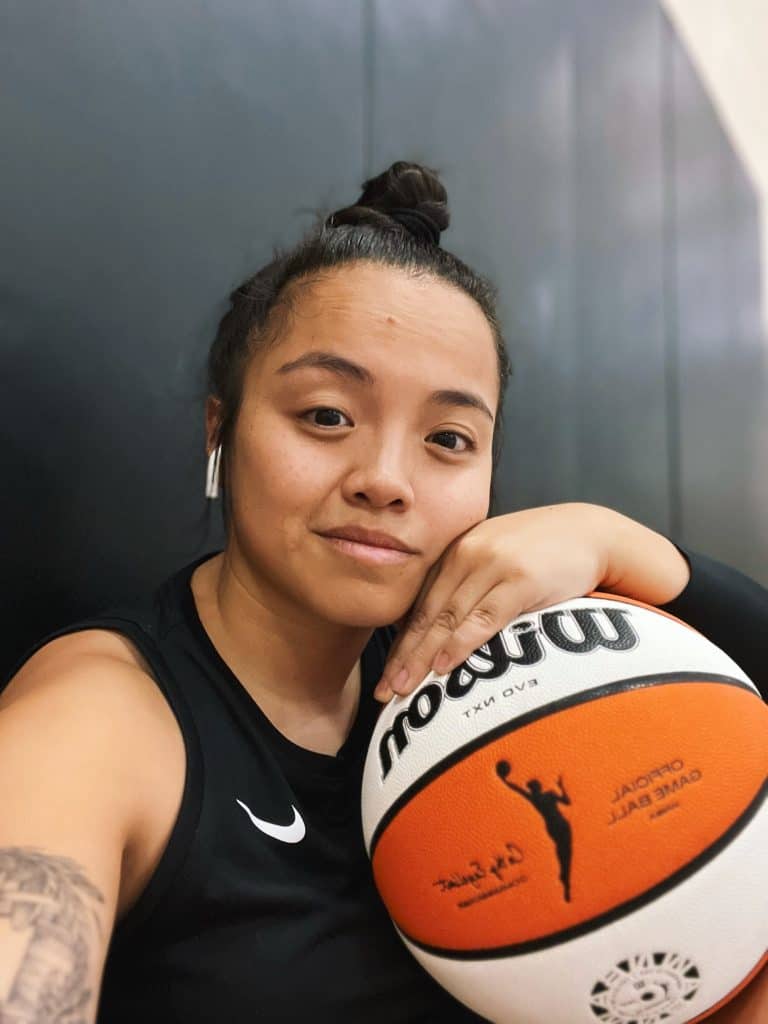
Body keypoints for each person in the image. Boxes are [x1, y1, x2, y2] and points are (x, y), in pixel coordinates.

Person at [0, 161, 766, 1024]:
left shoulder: (504, 673)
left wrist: (620, 543)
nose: (386, 480)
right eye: (327, 415)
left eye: (448, 438)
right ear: (222, 430)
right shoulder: (104, 719)